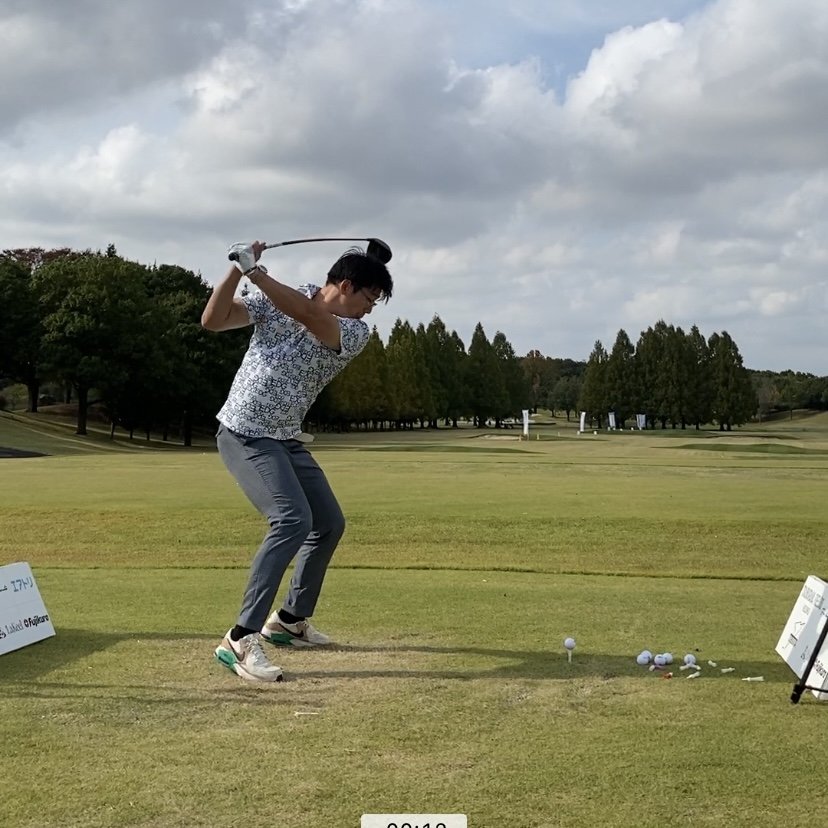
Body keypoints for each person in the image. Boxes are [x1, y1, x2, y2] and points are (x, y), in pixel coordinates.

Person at [201, 240, 394, 682]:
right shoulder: (283, 296)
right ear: (346, 286)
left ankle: (288, 621)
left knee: (327, 523)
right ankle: (240, 637)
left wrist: (256, 273)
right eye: (369, 298)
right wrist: (237, 269)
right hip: (245, 431)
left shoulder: (354, 332)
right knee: (291, 520)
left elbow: (308, 315)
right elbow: (213, 320)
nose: (370, 309)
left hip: (284, 438)